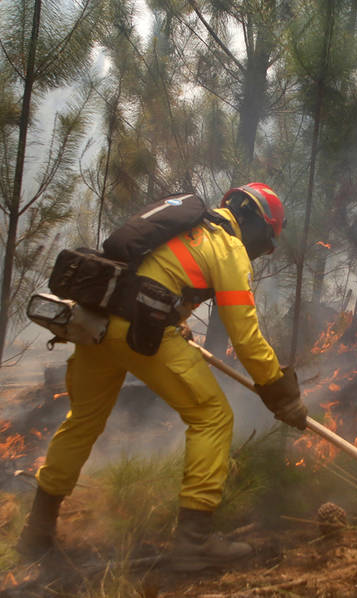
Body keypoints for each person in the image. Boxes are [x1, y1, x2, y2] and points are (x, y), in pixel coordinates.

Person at [17, 183, 308, 572]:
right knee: (212, 417)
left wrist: (178, 318)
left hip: (97, 324)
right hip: (139, 333)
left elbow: (156, 276)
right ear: (256, 223)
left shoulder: (185, 227)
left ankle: (36, 531)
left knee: (83, 422)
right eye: (269, 240)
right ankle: (194, 543)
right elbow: (246, 336)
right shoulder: (227, 247)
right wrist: (279, 391)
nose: (267, 250)